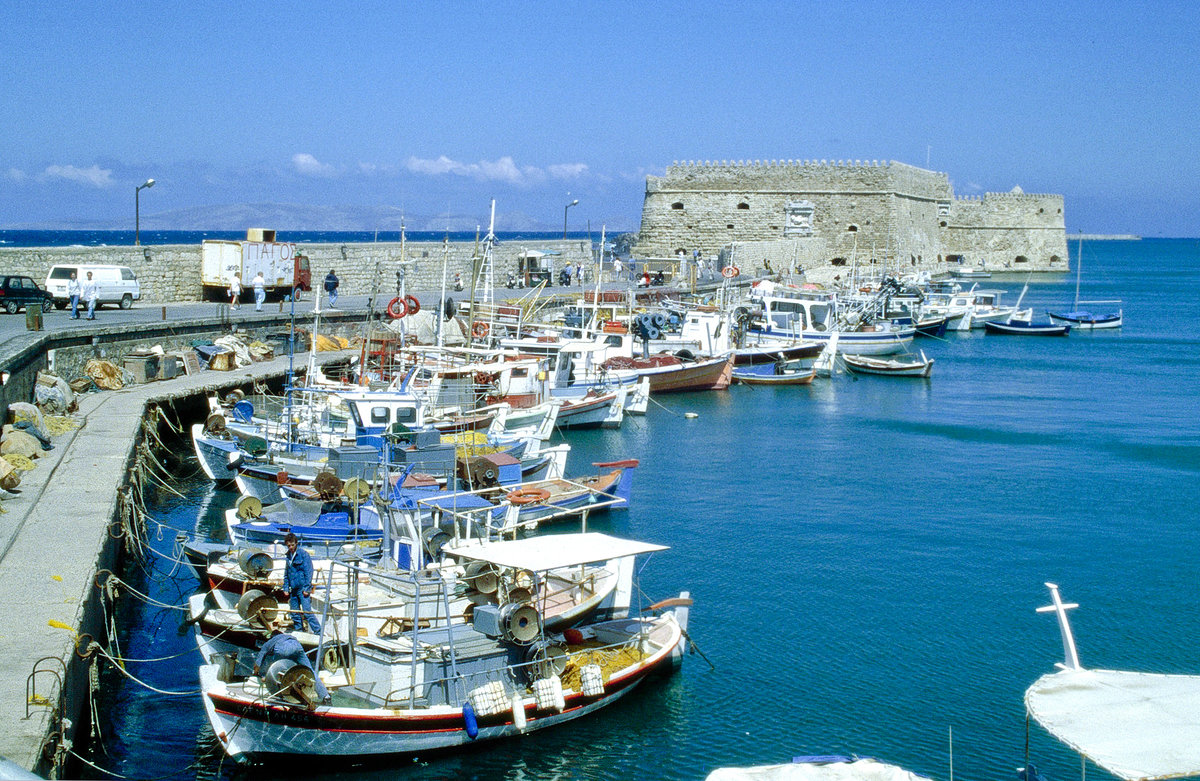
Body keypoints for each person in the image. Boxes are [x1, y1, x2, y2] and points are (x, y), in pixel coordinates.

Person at [253, 628, 330, 704]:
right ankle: (326, 696)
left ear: (272, 637)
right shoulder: (287, 636)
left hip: (282, 648)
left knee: (277, 672)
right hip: (297, 645)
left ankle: (281, 696)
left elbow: (258, 663)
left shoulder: (269, 642)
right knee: (309, 671)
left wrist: (256, 673)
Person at [283, 532, 321, 634]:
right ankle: (299, 631)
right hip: (293, 589)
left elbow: (309, 572)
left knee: (307, 612)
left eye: (292, 545)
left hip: (302, 588)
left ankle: (318, 631)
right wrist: (286, 588)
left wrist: (307, 588)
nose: (290, 547)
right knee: (294, 612)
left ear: (296, 543)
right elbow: (286, 573)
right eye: (288, 545)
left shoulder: (304, 555)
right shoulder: (288, 556)